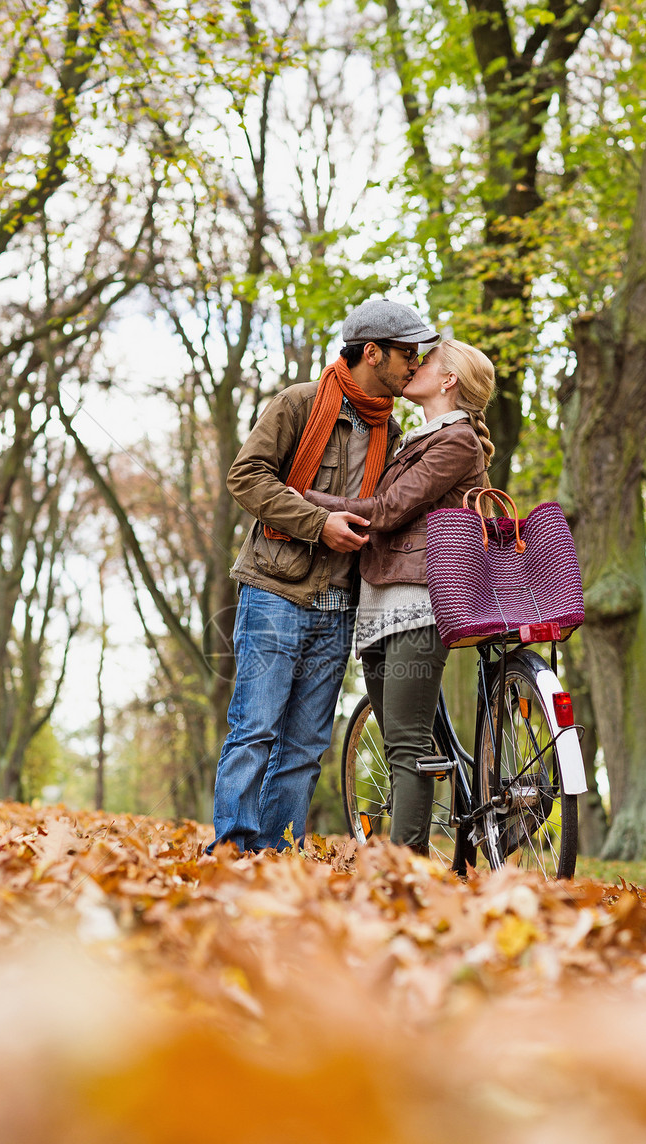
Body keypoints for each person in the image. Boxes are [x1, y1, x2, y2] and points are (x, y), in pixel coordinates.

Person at [211, 298, 440, 852]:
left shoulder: (396, 430)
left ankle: (278, 853)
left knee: (307, 744)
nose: (415, 364)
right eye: (407, 354)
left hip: (341, 603)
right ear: (372, 352)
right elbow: (245, 478)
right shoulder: (299, 404)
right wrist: (318, 524)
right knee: (255, 730)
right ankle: (233, 851)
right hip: (275, 591)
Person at [304, 339, 495, 854]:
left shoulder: (456, 442)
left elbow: (387, 510)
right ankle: (407, 866)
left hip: (418, 601)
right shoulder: (417, 438)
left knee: (407, 747)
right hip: (380, 601)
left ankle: (401, 874)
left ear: (449, 379)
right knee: (400, 746)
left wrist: (305, 497)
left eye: (426, 361)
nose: (414, 365)